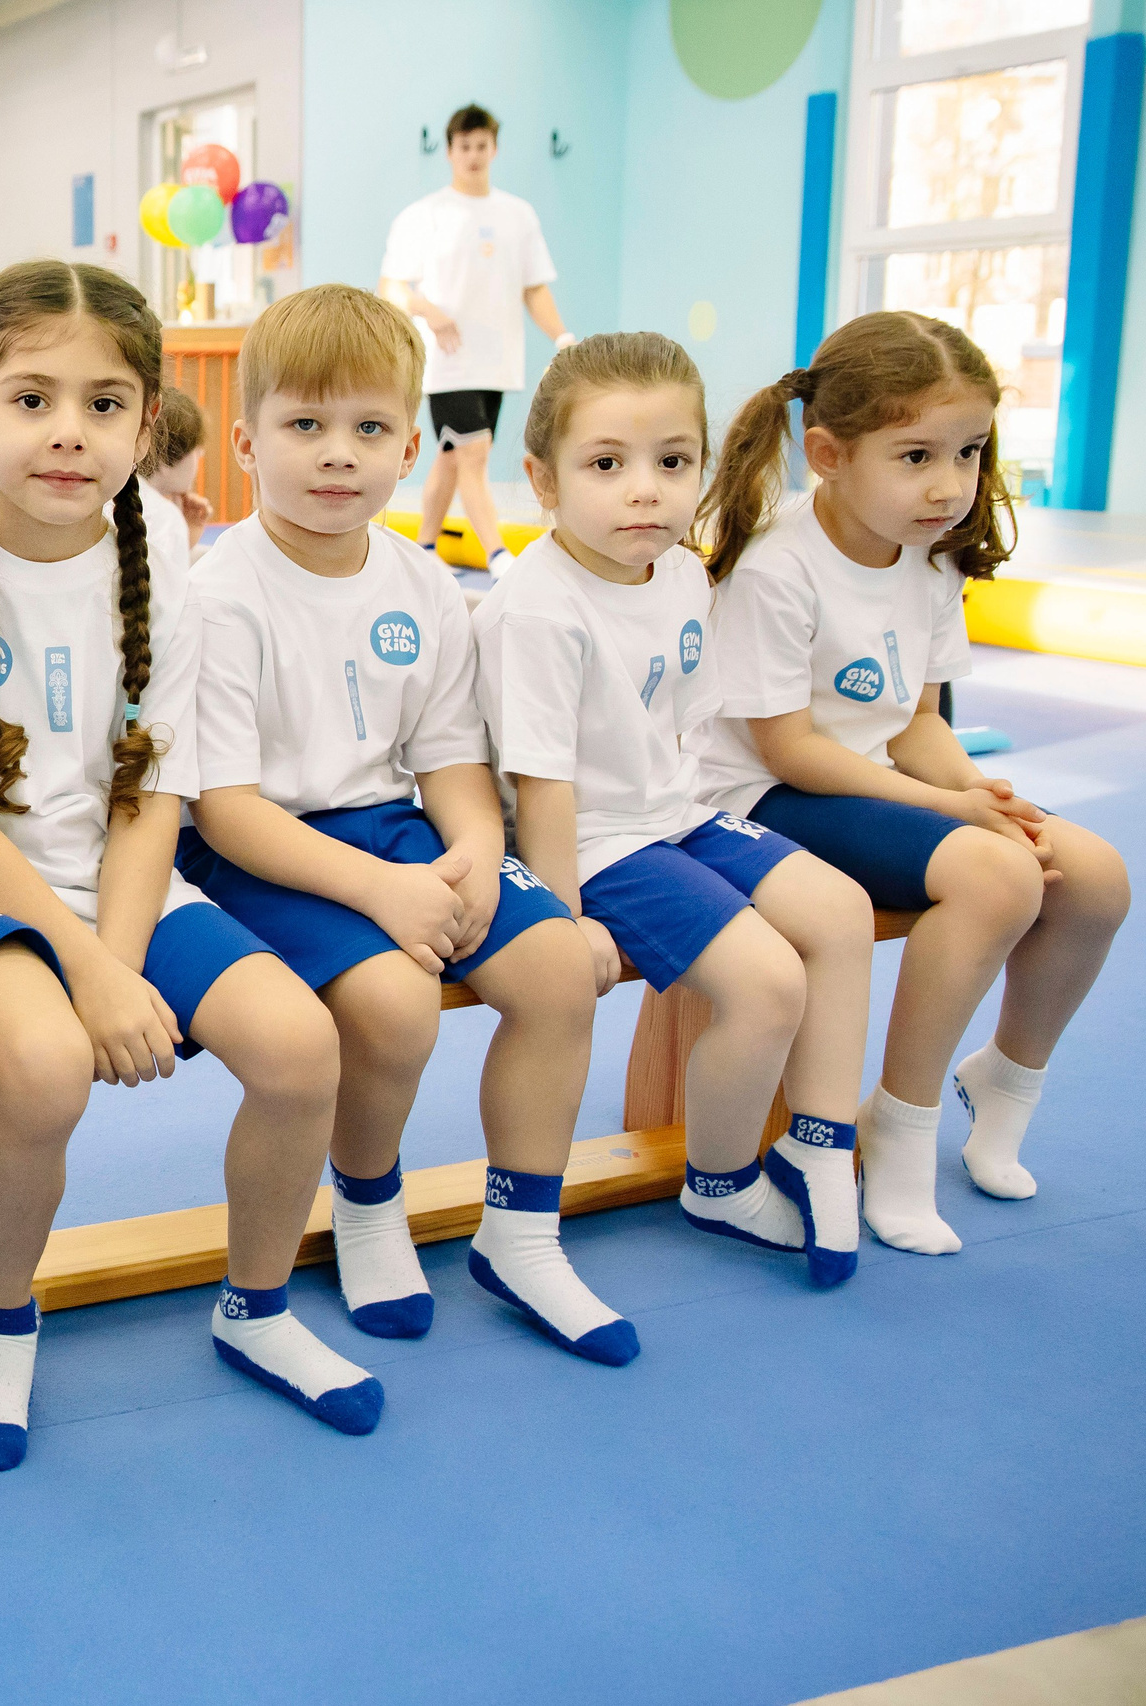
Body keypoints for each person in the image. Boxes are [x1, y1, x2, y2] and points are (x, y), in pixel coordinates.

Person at [0, 260, 370, 1473]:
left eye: (103, 402)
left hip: (118, 883)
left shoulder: (156, 549)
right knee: (40, 1069)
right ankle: (0, 1320)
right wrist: (87, 972)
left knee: (301, 1048)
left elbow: (153, 793)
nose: (68, 432)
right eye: (31, 399)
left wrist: (118, 961)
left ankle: (257, 1306)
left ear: (148, 421)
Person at [178, 285, 627, 1358]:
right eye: (305, 427)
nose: (338, 455)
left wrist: (474, 847)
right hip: (269, 848)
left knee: (559, 969)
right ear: (246, 443)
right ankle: (369, 1201)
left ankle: (521, 1228)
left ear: (410, 445)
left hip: (398, 830)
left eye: (369, 429)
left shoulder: (424, 581)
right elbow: (227, 810)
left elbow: (450, 759)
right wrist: (381, 889)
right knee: (395, 1004)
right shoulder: (219, 592)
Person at [698, 311, 1131, 1245]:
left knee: (1093, 875)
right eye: (916, 456)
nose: (950, 485)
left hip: (868, 785)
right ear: (829, 454)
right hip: (762, 798)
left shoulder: (929, 554)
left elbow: (917, 722)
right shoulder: (778, 567)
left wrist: (985, 795)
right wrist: (953, 811)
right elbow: (790, 751)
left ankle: (1004, 1084)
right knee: (996, 872)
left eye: (969, 452)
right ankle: (898, 1124)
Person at [474, 333, 875, 1288]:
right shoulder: (539, 607)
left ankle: (820, 1141)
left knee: (842, 913)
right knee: (770, 984)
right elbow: (543, 792)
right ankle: (722, 1177)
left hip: (672, 815)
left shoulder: (684, 575)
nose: (644, 489)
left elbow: (682, 736)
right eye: (606, 465)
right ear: (542, 477)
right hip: (594, 844)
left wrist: (710, 838)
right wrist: (564, 921)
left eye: (672, 461)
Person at [379, 104, 576, 575]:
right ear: (449, 151)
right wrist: (431, 312)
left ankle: (424, 550)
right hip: (446, 362)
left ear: (494, 148)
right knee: (474, 454)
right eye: (464, 146)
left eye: (481, 145)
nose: (473, 154)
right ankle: (498, 554)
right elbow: (390, 286)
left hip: (497, 362)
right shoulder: (424, 215)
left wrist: (562, 337)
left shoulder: (518, 215)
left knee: (451, 459)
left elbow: (534, 287)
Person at [139, 383, 213, 562]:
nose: (201, 455)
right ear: (166, 460)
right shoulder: (166, 520)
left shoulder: (114, 500)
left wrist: (185, 539)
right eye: (196, 450)